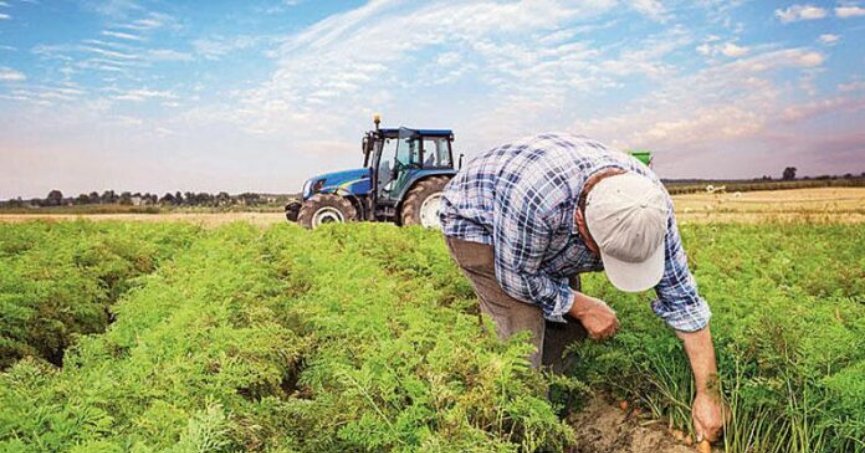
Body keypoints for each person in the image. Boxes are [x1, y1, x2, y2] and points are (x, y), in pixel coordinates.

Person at [439, 132, 725, 444]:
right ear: (580, 223)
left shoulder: (649, 206)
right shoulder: (537, 202)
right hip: (480, 224)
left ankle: (562, 410)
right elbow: (517, 278)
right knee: (521, 337)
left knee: (568, 329)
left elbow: (684, 301)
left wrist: (709, 394)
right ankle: (519, 431)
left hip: (542, 229)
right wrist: (584, 306)